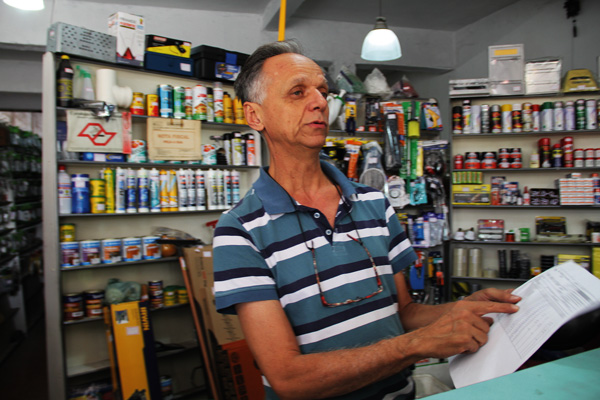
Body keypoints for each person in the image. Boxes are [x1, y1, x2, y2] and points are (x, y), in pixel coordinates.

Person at [213, 40, 520, 400]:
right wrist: (414, 345)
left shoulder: (374, 202)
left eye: (322, 91)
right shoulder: (239, 231)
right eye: (298, 92)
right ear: (254, 116)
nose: (319, 102)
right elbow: (288, 378)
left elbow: (402, 313)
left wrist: (461, 310)